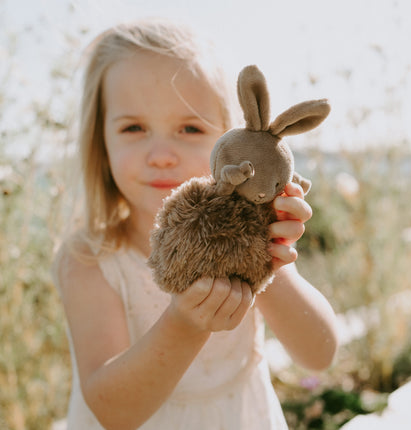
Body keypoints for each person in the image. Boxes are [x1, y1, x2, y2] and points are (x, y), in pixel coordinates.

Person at [53, 18, 339, 430]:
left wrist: (273, 267)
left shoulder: (253, 243)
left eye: (190, 127)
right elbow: (113, 412)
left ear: (231, 140)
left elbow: (320, 354)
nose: (162, 154)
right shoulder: (89, 259)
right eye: (133, 127)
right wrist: (185, 324)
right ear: (101, 143)